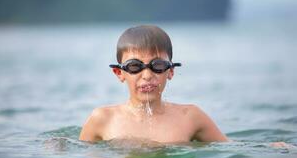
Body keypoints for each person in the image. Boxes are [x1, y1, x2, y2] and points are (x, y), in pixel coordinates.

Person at [79, 25, 229, 143]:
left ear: (170, 71)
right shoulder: (103, 119)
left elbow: (230, 153)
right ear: (120, 73)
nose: (147, 76)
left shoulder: (191, 117)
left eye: (157, 65)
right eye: (134, 66)